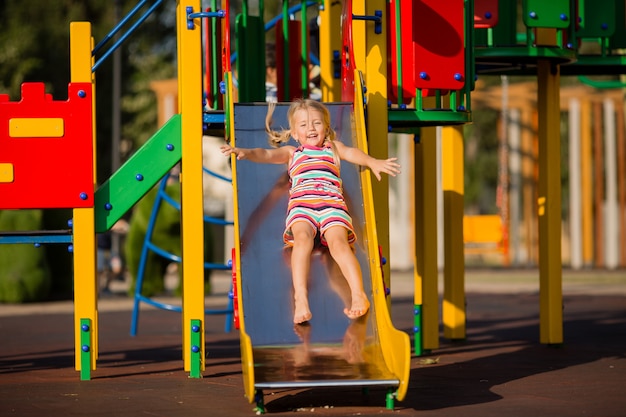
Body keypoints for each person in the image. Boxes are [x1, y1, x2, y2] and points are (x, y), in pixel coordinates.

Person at [220, 99, 400, 324]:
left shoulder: (333, 148)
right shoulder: (291, 153)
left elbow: (353, 153)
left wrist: (372, 162)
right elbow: (265, 154)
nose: (311, 128)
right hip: (302, 208)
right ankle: (301, 298)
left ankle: (358, 294)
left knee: (339, 244)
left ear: (326, 127)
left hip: (332, 206)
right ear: (295, 132)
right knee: (302, 240)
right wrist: (244, 152)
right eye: (304, 125)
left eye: (316, 123)